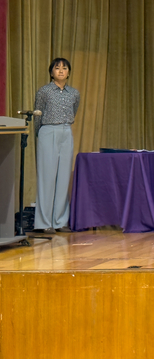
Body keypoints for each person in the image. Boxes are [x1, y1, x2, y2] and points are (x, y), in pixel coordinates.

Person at [33, 58, 80, 234]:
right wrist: (40, 134)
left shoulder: (74, 93)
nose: (61, 70)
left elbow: (74, 111)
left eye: (64, 68)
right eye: (57, 67)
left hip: (66, 131)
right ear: (51, 72)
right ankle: (44, 223)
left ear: (68, 72)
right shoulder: (44, 91)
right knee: (47, 177)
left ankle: (60, 221)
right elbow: (38, 114)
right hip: (48, 130)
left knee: (63, 177)